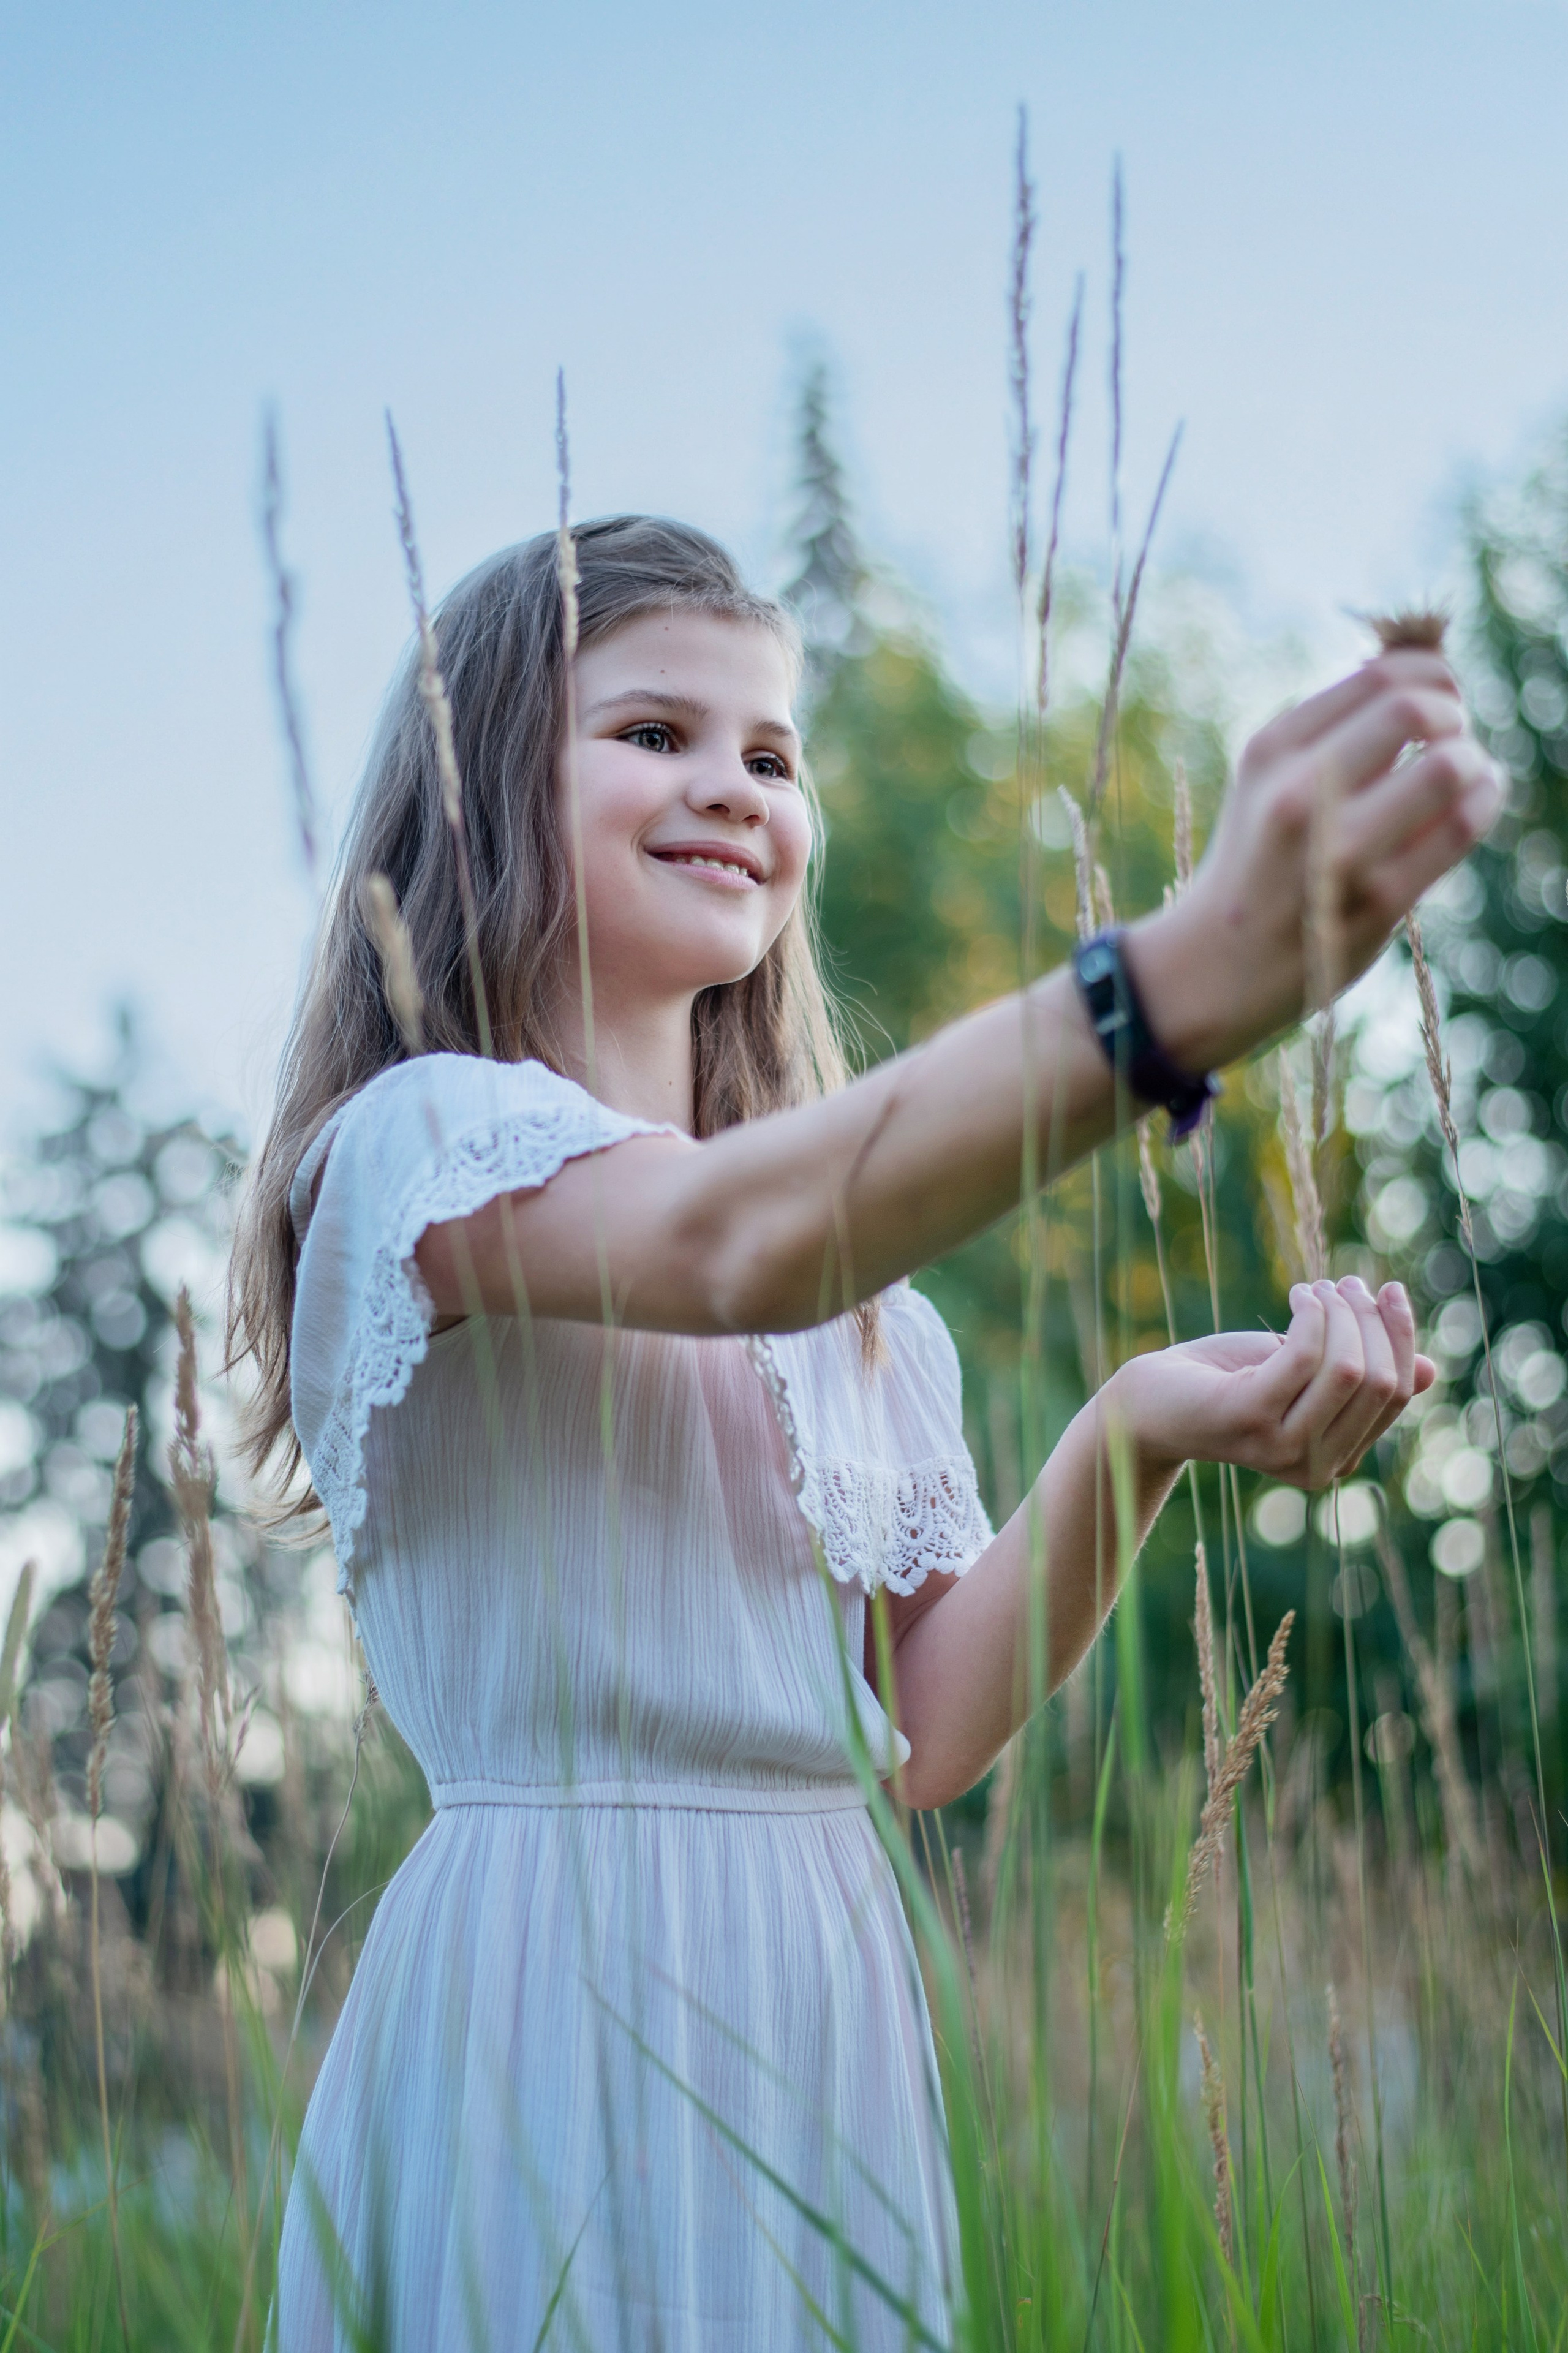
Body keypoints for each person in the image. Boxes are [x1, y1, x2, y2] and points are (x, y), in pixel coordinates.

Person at [230, 515, 1498, 2349]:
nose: (733, 787)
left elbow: (917, 1732)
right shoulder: (423, 1143)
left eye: (771, 754)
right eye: (654, 733)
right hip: (551, 1982)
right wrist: (1163, 991)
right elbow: (720, 1236)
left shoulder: (865, 1308)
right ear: (483, 781)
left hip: (821, 1993)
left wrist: (1138, 1427)